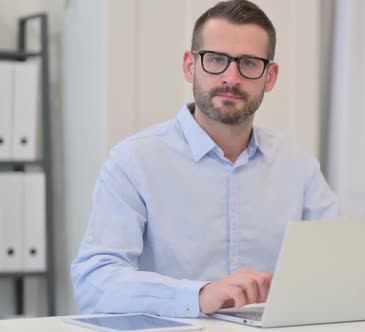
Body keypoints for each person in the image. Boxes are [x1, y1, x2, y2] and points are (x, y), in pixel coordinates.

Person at [71, 0, 338, 318]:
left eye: (249, 63)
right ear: (189, 65)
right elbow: (94, 283)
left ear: (270, 76)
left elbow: (337, 263)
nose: (231, 77)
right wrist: (197, 295)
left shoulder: (298, 166)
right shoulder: (133, 162)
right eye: (216, 60)